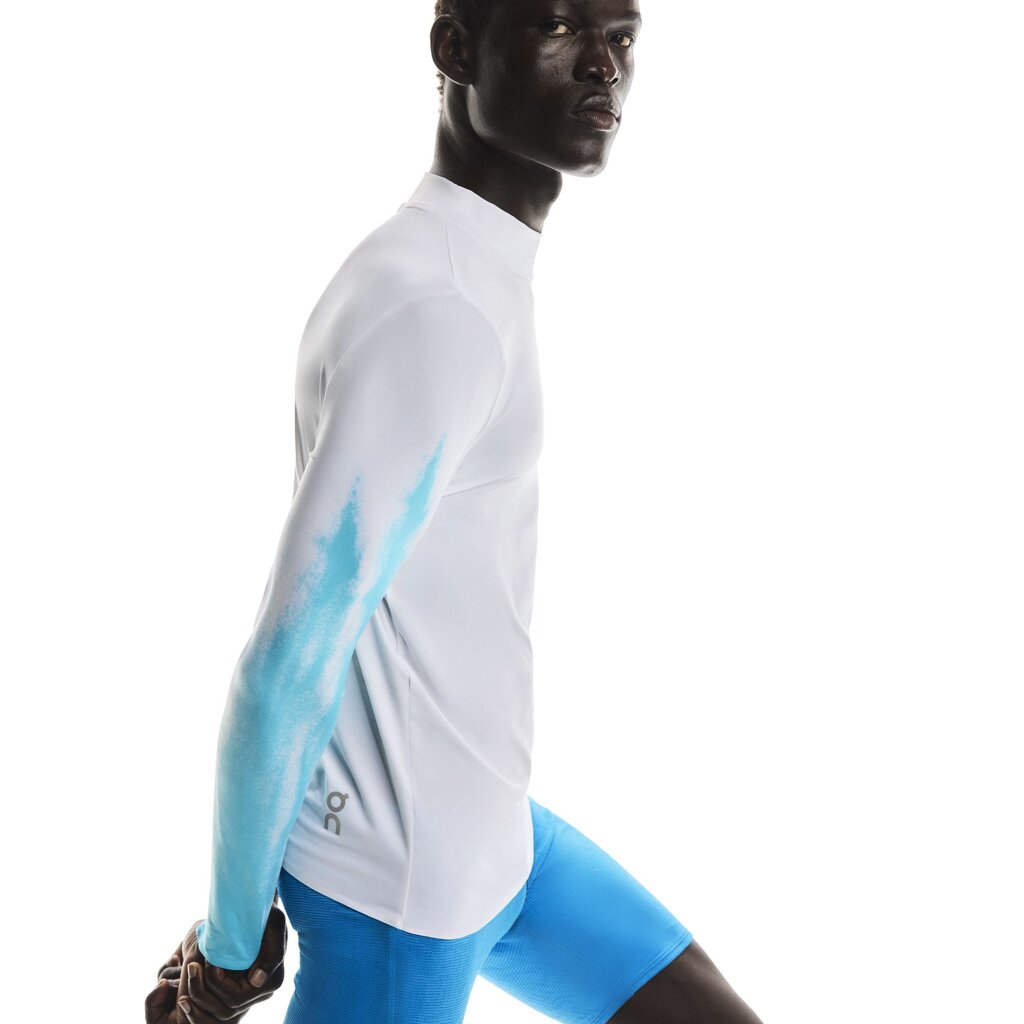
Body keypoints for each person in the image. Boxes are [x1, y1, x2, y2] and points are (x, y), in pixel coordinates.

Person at [146, 1, 765, 1021]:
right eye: (559, 27)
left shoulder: (468, 264)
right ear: (455, 47)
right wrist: (227, 947)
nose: (603, 66)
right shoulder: (438, 309)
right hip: (398, 904)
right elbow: (285, 663)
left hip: (499, 844)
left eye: (621, 36)